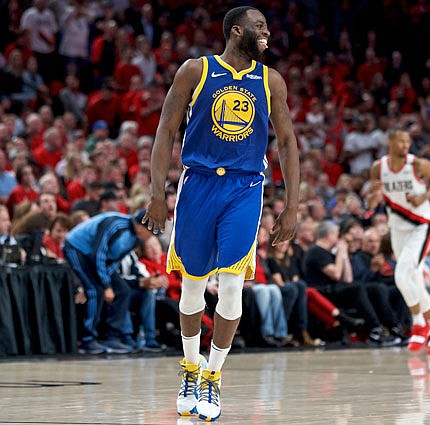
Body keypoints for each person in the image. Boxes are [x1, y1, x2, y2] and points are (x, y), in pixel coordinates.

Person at [142, 6, 299, 421]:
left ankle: (213, 376)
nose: (266, 33)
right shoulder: (196, 71)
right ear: (236, 31)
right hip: (198, 184)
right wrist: (157, 192)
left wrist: (292, 205)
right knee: (192, 287)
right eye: (259, 27)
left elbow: (287, 142)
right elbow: (165, 131)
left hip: (245, 188)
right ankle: (190, 368)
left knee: (232, 286)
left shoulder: (271, 81)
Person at [368, 127, 430, 354]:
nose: (405, 146)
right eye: (401, 142)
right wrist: (373, 195)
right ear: (390, 141)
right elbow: (373, 201)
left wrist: (424, 197)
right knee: (414, 281)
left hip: (421, 225)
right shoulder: (379, 168)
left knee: (401, 275)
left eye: (408, 142)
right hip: (397, 228)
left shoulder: (417, 165)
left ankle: (419, 324)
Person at [63, 210, 156, 354]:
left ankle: (114, 337)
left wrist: (107, 281)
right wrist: (106, 285)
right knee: (95, 290)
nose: (151, 237)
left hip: (96, 257)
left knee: (123, 290)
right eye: (150, 232)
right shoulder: (115, 225)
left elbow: (115, 260)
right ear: (140, 227)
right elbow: (98, 253)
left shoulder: (137, 238)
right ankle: (88, 339)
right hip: (77, 248)